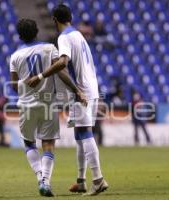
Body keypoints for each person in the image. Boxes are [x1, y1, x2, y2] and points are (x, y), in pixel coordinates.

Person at [27, 4, 108, 196]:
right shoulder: (78, 34)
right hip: (91, 88)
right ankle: (81, 180)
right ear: (70, 18)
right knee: (80, 134)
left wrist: (40, 76)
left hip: (81, 90)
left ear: (54, 20)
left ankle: (98, 179)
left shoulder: (63, 38)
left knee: (85, 133)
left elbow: (63, 62)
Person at [10, 18, 87, 197]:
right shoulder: (49, 49)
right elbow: (61, 71)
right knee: (48, 144)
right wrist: (75, 90)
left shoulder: (15, 56)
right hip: (48, 103)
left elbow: (14, 86)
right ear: (37, 31)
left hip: (26, 105)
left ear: (20, 36)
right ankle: (45, 180)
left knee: (29, 143)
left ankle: (39, 177)